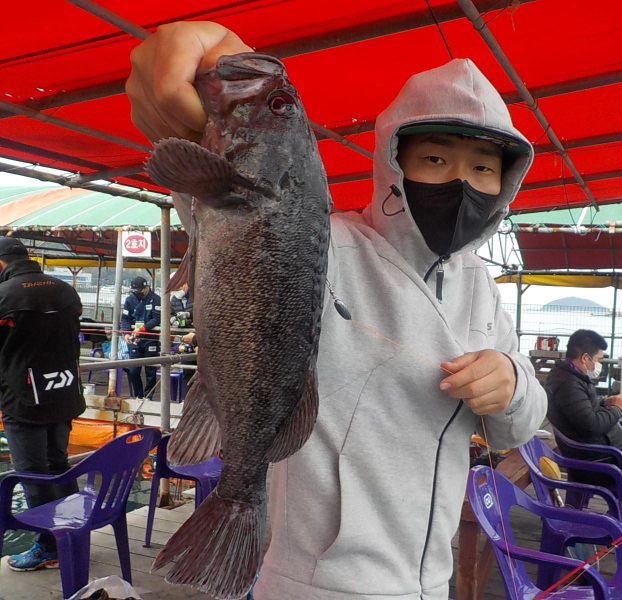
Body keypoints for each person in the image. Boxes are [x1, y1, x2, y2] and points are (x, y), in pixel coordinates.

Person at [126, 21, 548, 600]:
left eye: (482, 168)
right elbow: (236, 212)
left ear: (504, 184)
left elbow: (516, 429)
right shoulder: (328, 242)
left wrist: (514, 382)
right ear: (394, 163)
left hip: (432, 583)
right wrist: (208, 62)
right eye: (434, 158)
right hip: (314, 585)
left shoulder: (482, 286)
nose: (459, 181)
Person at [0, 238, 85, 571]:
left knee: (33, 474)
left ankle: (49, 546)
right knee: (59, 465)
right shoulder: (65, 290)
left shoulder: (5, 295)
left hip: (24, 400)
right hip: (63, 391)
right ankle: (72, 535)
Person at [546, 329, 622, 516]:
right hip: (603, 460)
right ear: (585, 358)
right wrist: (618, 409)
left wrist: (604, 403)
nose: (600, 365)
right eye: (599, 360)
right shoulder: (568, 384)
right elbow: (591, 425)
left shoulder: (570, 376)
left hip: (613, 452)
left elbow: (580, 412)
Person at [120, 276, 161, 399]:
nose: (136, 293)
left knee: (150, 370)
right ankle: (139, 395)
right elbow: (125, 319)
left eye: (138, 291)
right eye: (134, 291)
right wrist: (126, 333)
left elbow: (157, 318)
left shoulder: (156, 299)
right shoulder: (129, 300)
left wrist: (143, 328)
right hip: (134, 339)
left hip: (150, 339)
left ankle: (148, 396)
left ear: (145, 288)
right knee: (133, 370)